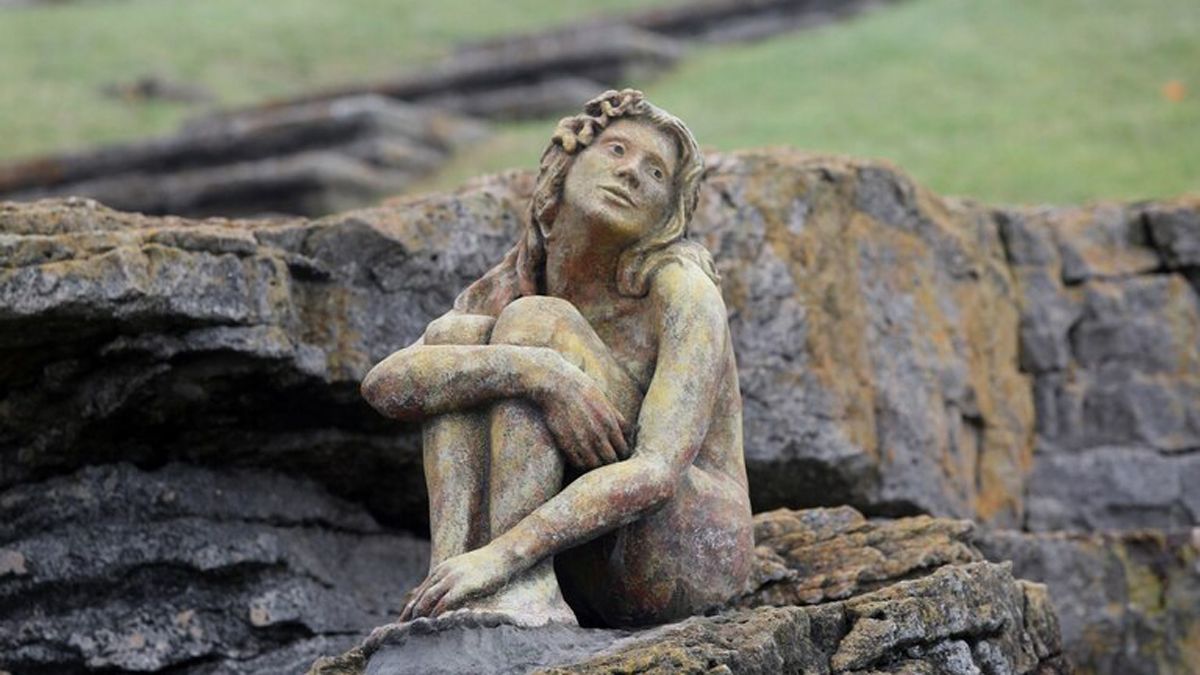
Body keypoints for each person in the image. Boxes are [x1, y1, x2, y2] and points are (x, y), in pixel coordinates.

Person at [360, 89, 753, 629]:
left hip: (679, 549)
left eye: (656, 172)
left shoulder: (680, 287)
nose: (633, 173)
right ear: (566, 163)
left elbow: (658, 470)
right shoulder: (520, 274)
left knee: (536, 324)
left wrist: (505, 555)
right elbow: (387, 385)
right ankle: (451, 586)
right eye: (616, 150)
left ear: (668, 214)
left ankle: (522, 586)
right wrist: (541, 374)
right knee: (460, 336)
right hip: (578, 547)